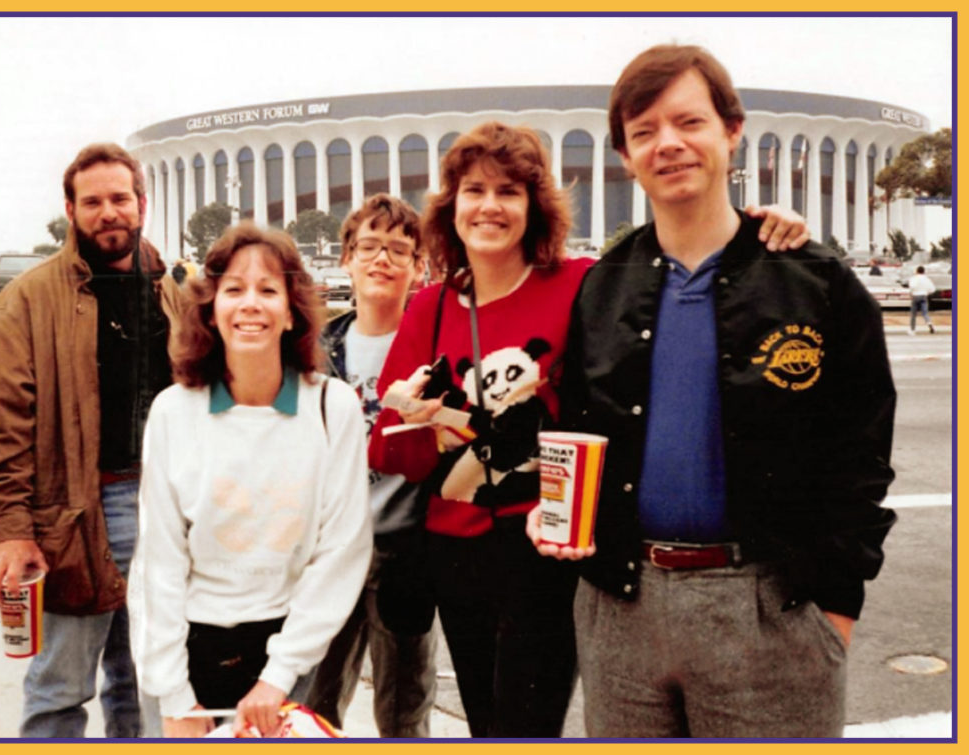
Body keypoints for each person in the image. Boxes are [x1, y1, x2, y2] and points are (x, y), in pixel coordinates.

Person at [370, 122, 811, 738]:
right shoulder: (431, 307)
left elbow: (689, 265)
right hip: (455, 550)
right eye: (474, 190)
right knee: (485, 720)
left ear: (535, 207)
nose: (490, 206)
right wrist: (416, 421)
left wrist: (767, 228)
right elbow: (392, 453)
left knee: (527, 724)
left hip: (548, 544)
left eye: (509, 191)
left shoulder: (581, 283)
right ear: (452, 207)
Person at [530, 44, 897, 738]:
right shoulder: (602, 286)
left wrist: (836, 608)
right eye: (644, 132)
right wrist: (552, 510)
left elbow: (861, 454)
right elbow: (572, 428)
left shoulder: (815, 282)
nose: (667, 144)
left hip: (769, 609)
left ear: (732, 131)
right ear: (625, 156)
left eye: (688, 122)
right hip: (623, 610)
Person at [0, 143, 182, 738]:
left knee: (144, 682)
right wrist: (11, 530)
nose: (108, 212)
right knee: (59, 690)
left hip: (161, 509)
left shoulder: (170, 291)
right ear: (71, 209)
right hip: (73, 517)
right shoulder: (27, 302)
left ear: (143, 203)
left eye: (120, 198)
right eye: (92, 202)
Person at [129, 223, 372, 738]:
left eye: (268, 290)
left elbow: (342, 550)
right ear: (211, 310)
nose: (250, 304)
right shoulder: (175, 411)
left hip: (287, 651)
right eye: (234, 289)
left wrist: (277, 677)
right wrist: (175, 698)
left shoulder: (334, 408)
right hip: (189, 651)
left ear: (291, 311)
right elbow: (159, 562)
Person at [297, 194, 438, 737]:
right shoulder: (315, 349)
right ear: (347, 258)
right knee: (314, 703)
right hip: (330, 549)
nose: (383, 259)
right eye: (370, 247)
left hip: (403, 551)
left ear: (418, 267)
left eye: (399, 251)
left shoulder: (431, 347)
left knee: (404, 709)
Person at [907, 265, 936, 334]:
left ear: (917, 271)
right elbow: (932, 289)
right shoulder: (927, 279)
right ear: (924, 271)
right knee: (925, 313)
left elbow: (912, 286)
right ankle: (929, 323)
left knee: (913, 314)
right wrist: (927, 292)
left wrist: (911, 293)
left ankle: (912, 329)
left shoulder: (913, 278)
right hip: (924, 296)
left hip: (915, 296)